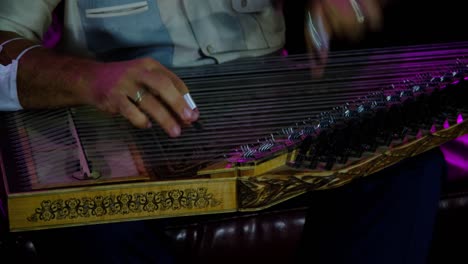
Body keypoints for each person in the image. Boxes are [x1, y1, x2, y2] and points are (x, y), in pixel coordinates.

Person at [0, 0, 446, 263]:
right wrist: (88, 80)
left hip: (273, 107)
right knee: (92, 226)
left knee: (407, 165)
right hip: (127, 124)